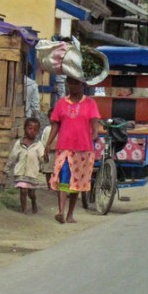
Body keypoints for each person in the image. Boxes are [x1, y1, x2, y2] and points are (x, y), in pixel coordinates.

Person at [44, 77, 100, 224]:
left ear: (82, 84)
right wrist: (48, 144)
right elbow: (55, 125)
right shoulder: (61, 103)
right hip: (64, 147)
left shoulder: (90, 103)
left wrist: (95, 133)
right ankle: (61, 212)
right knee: (63, 176)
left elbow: (95, 123)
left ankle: (70, 214)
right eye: (71, 83)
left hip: (83, 149)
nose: (73, 86)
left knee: (76, 181)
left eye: (76, 83)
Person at [4, 118, 45, 214]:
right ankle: (24, 210)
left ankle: (33, 202)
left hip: (32, 173)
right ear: (25, 129)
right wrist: (7, 168)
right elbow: (13, 157)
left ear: (38, 132)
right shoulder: (19, 143)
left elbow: (42, 158)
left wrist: (45, 159)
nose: (32, 131)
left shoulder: (38, 145)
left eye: (35, 130)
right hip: (21, 172)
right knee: (23, 191)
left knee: (31, 193)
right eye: (30, 128)